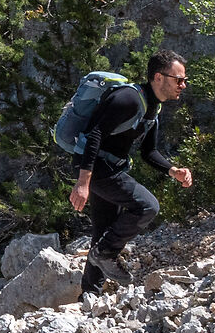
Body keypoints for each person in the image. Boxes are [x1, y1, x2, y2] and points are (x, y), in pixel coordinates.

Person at [67, 51, 192, 292]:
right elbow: (95, 135)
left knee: (103, 231)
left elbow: (149, 152)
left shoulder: (152, 108)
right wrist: (83, 182)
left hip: (108, 168)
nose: (183, 85)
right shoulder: (129, 99)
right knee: (147, 206)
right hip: (96, 168)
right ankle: (105, 254)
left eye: (184, 80)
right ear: (158, 77)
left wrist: (172, 170)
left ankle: (90, 295)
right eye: (179, 80)